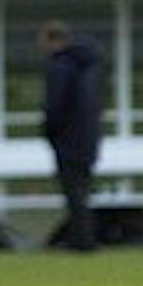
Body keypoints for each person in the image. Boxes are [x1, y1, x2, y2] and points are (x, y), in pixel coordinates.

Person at [39, 21, 105, 253]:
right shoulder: (90, 66)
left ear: (52, 40)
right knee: (82, 191)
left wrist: (48, 130)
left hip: (68, 139)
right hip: (89, 137)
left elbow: (55, 106)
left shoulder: (60, 67)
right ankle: (84, 238)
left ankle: (81, 241)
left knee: (74, 193)